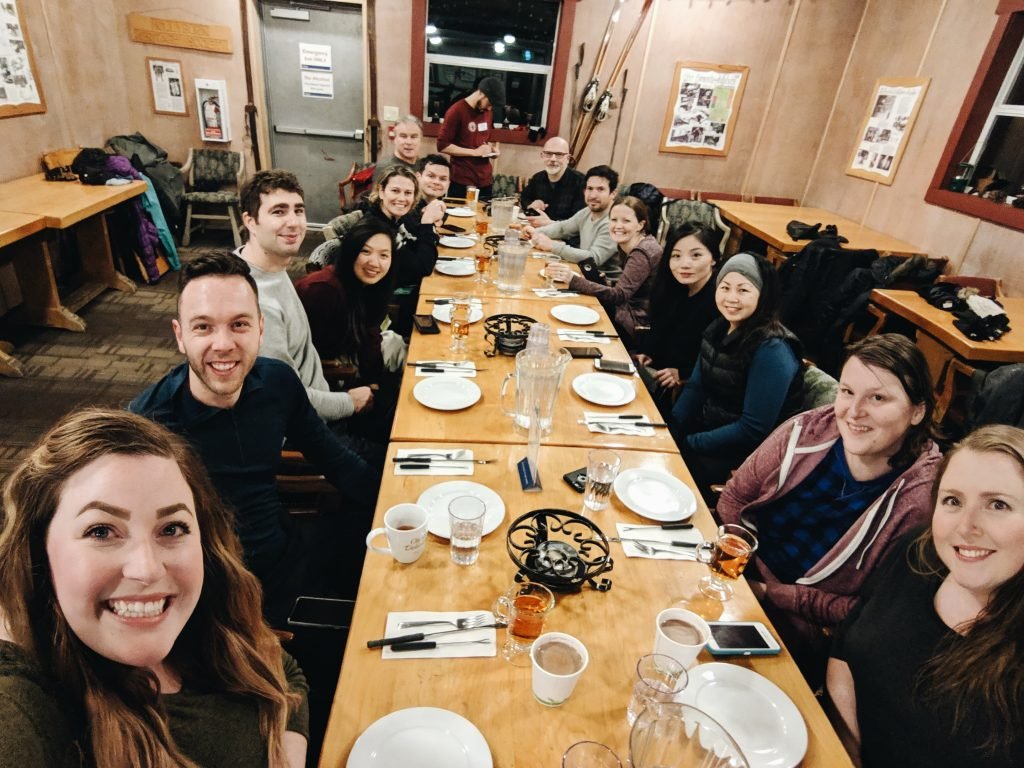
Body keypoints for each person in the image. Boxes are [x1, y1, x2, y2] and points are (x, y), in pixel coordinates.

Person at [0, 409, 309, 767]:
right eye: (101, 531)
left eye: (172, 529)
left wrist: (284, 755)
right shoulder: (26, 701)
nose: (146, 569)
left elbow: (282, 670)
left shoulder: (210, 622)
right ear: (38, 551)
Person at [129, 252, 376, 626]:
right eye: (203, 327)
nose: (223, 344)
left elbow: (336, 460)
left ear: (261, 328)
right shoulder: (147, 428)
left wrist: (401, 504)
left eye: (239, 324)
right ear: (180, 336)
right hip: (213, 596)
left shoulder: (277, 381)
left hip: (285, 554)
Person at [717, 334, 941, 674]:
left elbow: (865, 611)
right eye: (847, 391)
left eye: (878, 397)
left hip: (795, 626)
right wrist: (736, 565)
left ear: (917, 411)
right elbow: (735, 496)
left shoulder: (920, 504)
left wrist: (767, 593)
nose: (853, 412)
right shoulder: (805, 431)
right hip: (734, 571)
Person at [827, 424, 1024, 768]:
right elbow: (845, 646)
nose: (966, 526)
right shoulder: (918, 553)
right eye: (953, 501)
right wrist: (845, 751)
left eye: (997, 504)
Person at [236, 169, 374, 423]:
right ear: (250, 221)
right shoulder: (253, 300)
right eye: (278, 211)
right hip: (304, 432)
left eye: (298, 210)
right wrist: (349, 402)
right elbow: (281, 398)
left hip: (318, 406)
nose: (294, 222)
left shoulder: (269, 267)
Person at [670, 252, 804, 496]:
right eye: (725, 288)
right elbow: (696, 387)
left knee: (668, 477)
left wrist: (690, 443)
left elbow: (753, 428)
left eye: (743, 290)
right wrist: (671, 430)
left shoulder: (773, 348)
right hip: (709, 430)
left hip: (747, 455)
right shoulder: (719, 327)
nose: (731, 298)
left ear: (763, 295)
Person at [321, 166, 441, 335]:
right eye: (395, 191)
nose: (401, 198)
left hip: (386, 291)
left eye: (408, 193)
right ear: (382, 191)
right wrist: (427, 222)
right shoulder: (377, 228)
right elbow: (422, 267)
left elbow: (419, 247)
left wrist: (425, 229)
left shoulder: (396, 218)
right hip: (369, 307)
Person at [543, 196, 661, 345]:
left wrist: (573, 279)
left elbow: (619, 296)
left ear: (640, 224)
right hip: (627, 315)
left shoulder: (641, 252)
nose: (618, 226)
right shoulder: (633, 244)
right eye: (614, 220)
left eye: (626, 221)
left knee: (559, 323)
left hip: (635, 327)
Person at [296, 217, 395, 382]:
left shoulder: (370, 286)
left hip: (349, 358)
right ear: (350, 251)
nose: (374, 263)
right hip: (321, 378)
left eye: (384, 255)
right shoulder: (323, 290)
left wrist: (373, 382)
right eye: (365, 251)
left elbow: (370, 335)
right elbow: (305, 357)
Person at [635, 224, 721, 413]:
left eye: (696, 255)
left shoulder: (720, 299)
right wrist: (648, 352)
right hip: (657, 377)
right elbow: (659, 328)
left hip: (687, 394)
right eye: (676, 256)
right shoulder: (674, 288)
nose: (684, 264)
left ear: (714, 258)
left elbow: (716, 358)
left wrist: (683, 374)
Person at [524, 165, 619, 278]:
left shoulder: (614, 221)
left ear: (613, 193)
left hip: (605, 285)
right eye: (590, 188)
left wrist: (553, 246)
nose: (593, 195)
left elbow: (593, 258)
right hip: (583, 274)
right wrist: (535, 233)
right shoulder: (587, 212)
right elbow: (563, 228)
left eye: (600, 189)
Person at [437, 76, 505, 200]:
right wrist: (474, 152)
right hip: (462, 180)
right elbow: (442, 145)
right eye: (489, 103)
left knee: (484, 218)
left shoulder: (487, 112)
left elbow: (483, 140)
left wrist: (492, 150)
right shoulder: (456, 111)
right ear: (481, 93)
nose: (489, 109)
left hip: (485, 180)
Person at [521, 136, 586, 226]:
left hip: (566, 237)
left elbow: (580, 223)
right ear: (542, 156)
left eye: (559, 155)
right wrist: (531, 205)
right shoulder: (537, 178)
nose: (553, 159)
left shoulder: (581, 182)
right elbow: (524, 197)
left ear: (568, 158)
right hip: (537, 232)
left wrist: (550, 224)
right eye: (548, 154)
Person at [371, 115, 422, 186]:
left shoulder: (424, 165)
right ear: (394, 139)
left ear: (420, 139)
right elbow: (375, 196)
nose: (409, 142)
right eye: (403, 136)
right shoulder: (385, 167)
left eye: (414, 137)